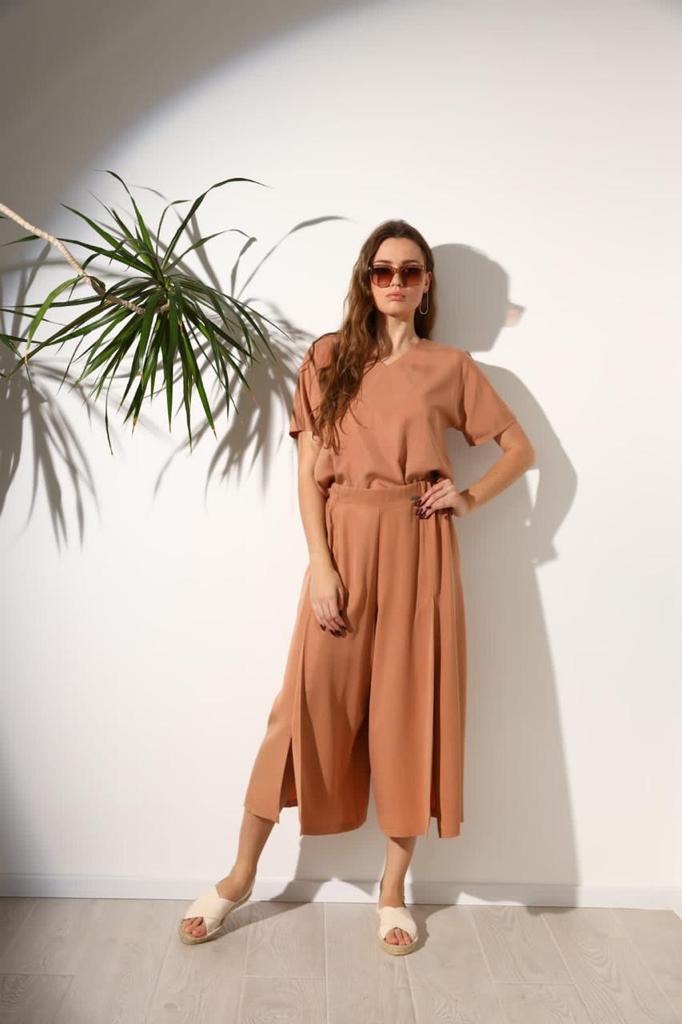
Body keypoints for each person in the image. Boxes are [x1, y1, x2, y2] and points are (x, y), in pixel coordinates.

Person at [179, 219, 535, 953]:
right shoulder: (327, 357)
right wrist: (322, 566)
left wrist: (468, 498)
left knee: (411, 711)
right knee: (298, 712)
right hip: (342, 541)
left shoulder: (451, 367)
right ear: (366, 280)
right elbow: (308, 477)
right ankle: (240, 877)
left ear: (427, 284)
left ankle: (393, 891)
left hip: (421, 550)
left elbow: (518, 448)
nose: (396, 282)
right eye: (383, 270)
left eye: (410, 271)